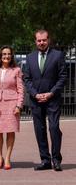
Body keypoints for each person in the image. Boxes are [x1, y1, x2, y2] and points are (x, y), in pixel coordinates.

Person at [24, 29, 67, 171]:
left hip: (53, 99)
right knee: (39, 130)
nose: (41, 42)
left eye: (44, 40)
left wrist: (51, 93)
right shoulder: (30, 57)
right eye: (39, 40)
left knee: (54, 128)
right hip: (36, 100)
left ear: (48, 40)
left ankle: (56, 159)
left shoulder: (58, 55)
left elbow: (62, 77)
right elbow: (27, 79)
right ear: (35, 41)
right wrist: (35, 94)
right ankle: (45, 160)